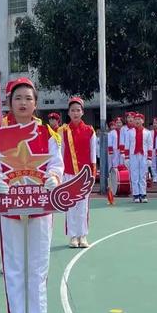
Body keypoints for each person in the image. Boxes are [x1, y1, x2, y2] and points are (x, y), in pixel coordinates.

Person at [0, 77, 63, 313]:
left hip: (41, 208)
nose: (23, 103)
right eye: (18, 98)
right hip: (10, 208)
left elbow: (57, 162)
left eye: (28, 98)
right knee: (15, 267)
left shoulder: (48, 134)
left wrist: (54, 176)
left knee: (38, 266)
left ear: (36, 103)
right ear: (9, 102)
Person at [58, 97, 97, 248]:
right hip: (68, 172)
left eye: (78, 110)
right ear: (68, 112)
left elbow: (93, 153)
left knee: (83, 206)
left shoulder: (90, 130)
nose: (75, 113)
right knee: (71, 206)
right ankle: (73, 236)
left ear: (82, 112)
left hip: (85, 174)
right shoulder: (63, 130)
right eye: (72, 110)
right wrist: (60, 174)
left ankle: (83, 235)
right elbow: (60, 153)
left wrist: (92, 174)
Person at [124, 113, 152, 203]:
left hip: (143, 155)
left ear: (143, 121)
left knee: (143, 175)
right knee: (134, 175)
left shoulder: (147, 132)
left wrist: (149, 158)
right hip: (133, 155)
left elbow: (150, 146)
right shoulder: (129, 132)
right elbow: (127, 145)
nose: (137, 121)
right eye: (135, 119)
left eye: (139, 119)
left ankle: (143, 194)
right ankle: (136, 195)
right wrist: (127, 158)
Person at [151, 118, 157, 183]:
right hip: (152, 149)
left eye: (156, 123)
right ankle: (154, 176)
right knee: (153, 164)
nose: (155, 124)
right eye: (154, 123)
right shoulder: (150, 132)